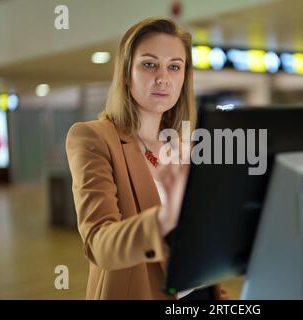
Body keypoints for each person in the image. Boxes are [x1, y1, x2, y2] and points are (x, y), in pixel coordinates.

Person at [65, 17, 228, 300]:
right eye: (150, 64)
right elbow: (99, 245)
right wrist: (164, 219)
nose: (163, 77)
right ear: (126, 74)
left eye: (174, 67)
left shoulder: (185, 146)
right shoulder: (94, 138)